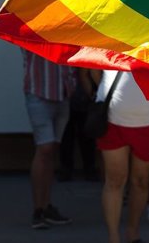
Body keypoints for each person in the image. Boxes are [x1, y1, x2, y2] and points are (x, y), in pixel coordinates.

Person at [94, 70, 149, 243]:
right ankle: (113, 238)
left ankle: (133, 233)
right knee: (115, 181)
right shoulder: (111, 41)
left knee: (140, 181)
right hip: (112, 118)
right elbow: (92, 66)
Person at [22, 50, 73, 229]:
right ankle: (38, 210)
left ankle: (46, 205)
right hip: (39, 92)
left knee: (52, 151)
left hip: (63, 92)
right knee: (44, 149)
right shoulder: (34, 26)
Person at [58, 67, 97, 182]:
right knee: (67, 135)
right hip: (68, 93)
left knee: (86, 134)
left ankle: (88, 168)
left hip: (83, 92)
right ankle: (67, 168)